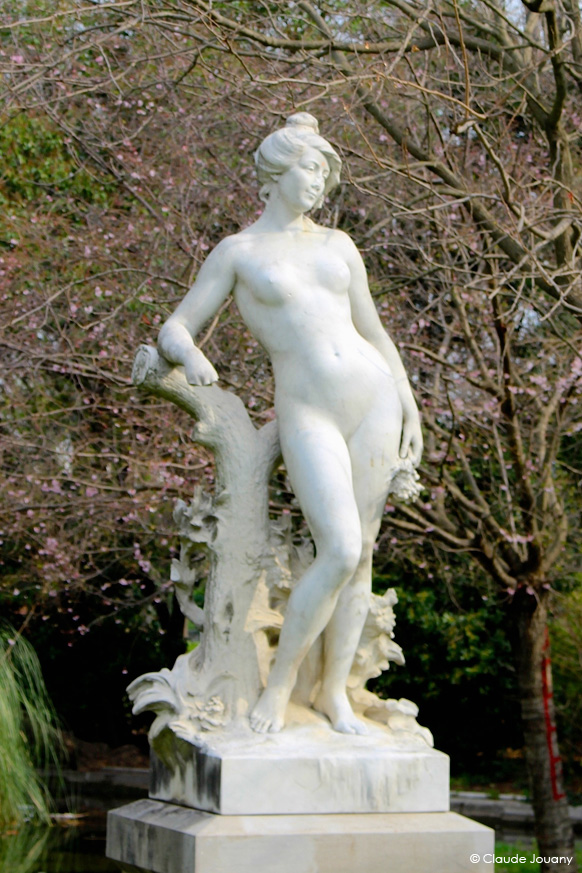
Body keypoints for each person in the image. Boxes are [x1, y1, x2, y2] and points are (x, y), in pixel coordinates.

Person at [158, 113, 422, 735]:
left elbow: (374, 331)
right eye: (311, 168)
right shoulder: (239, 252)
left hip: (375, 400)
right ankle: (279, 689)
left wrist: (409, 402)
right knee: (340, 546)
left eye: (326, 173)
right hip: (309, 410)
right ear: (276, 172)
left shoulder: (339, 245)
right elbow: (176, 326)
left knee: (362, 557)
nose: (320, 182)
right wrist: (191, 356)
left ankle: (332, 694)